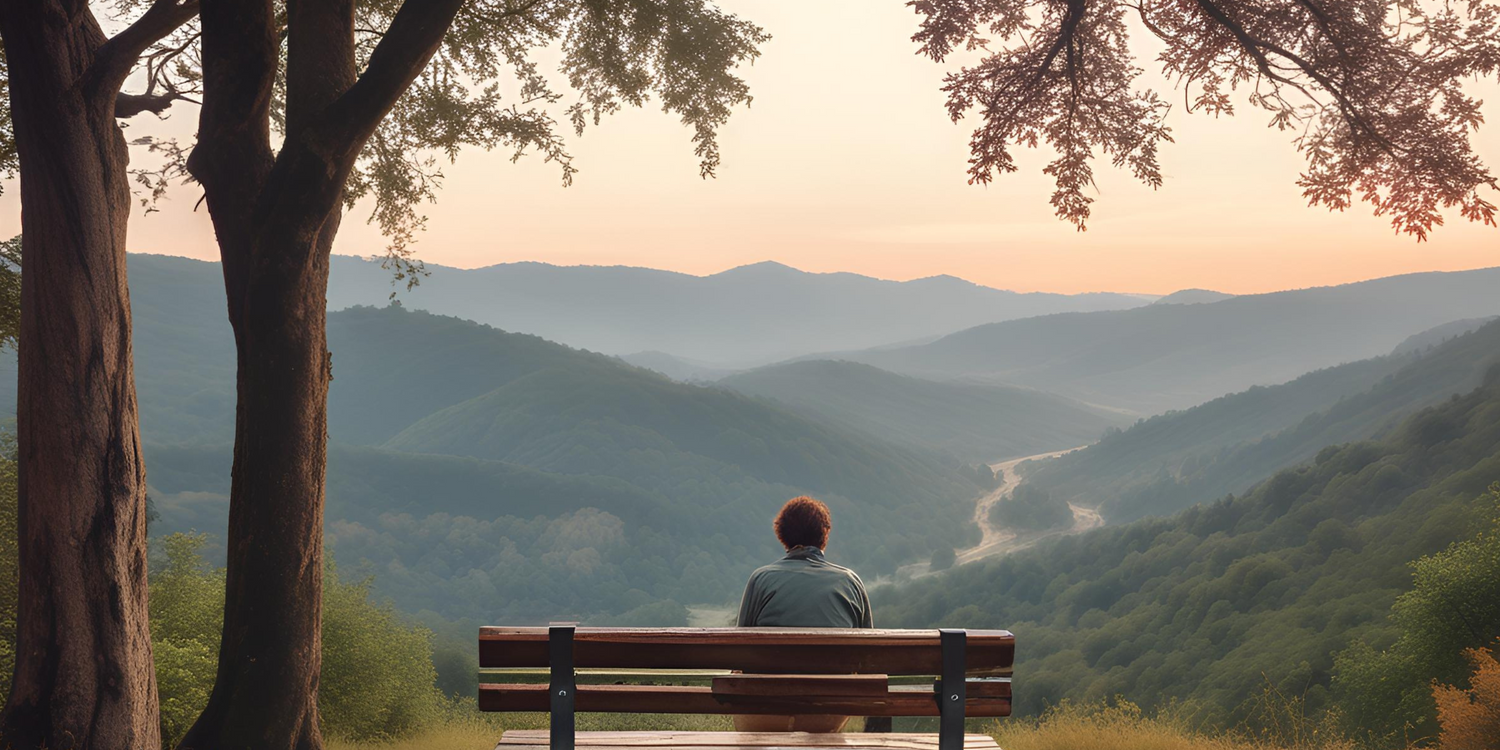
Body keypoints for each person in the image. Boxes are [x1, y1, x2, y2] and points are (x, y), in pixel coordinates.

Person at [734, 496, 873, 732]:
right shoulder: (850, 582)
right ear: (824, 535)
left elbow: (739, 651)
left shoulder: (761, 579)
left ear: (782, 536)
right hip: (829, 710)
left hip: (769, 706)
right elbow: (869, 655)